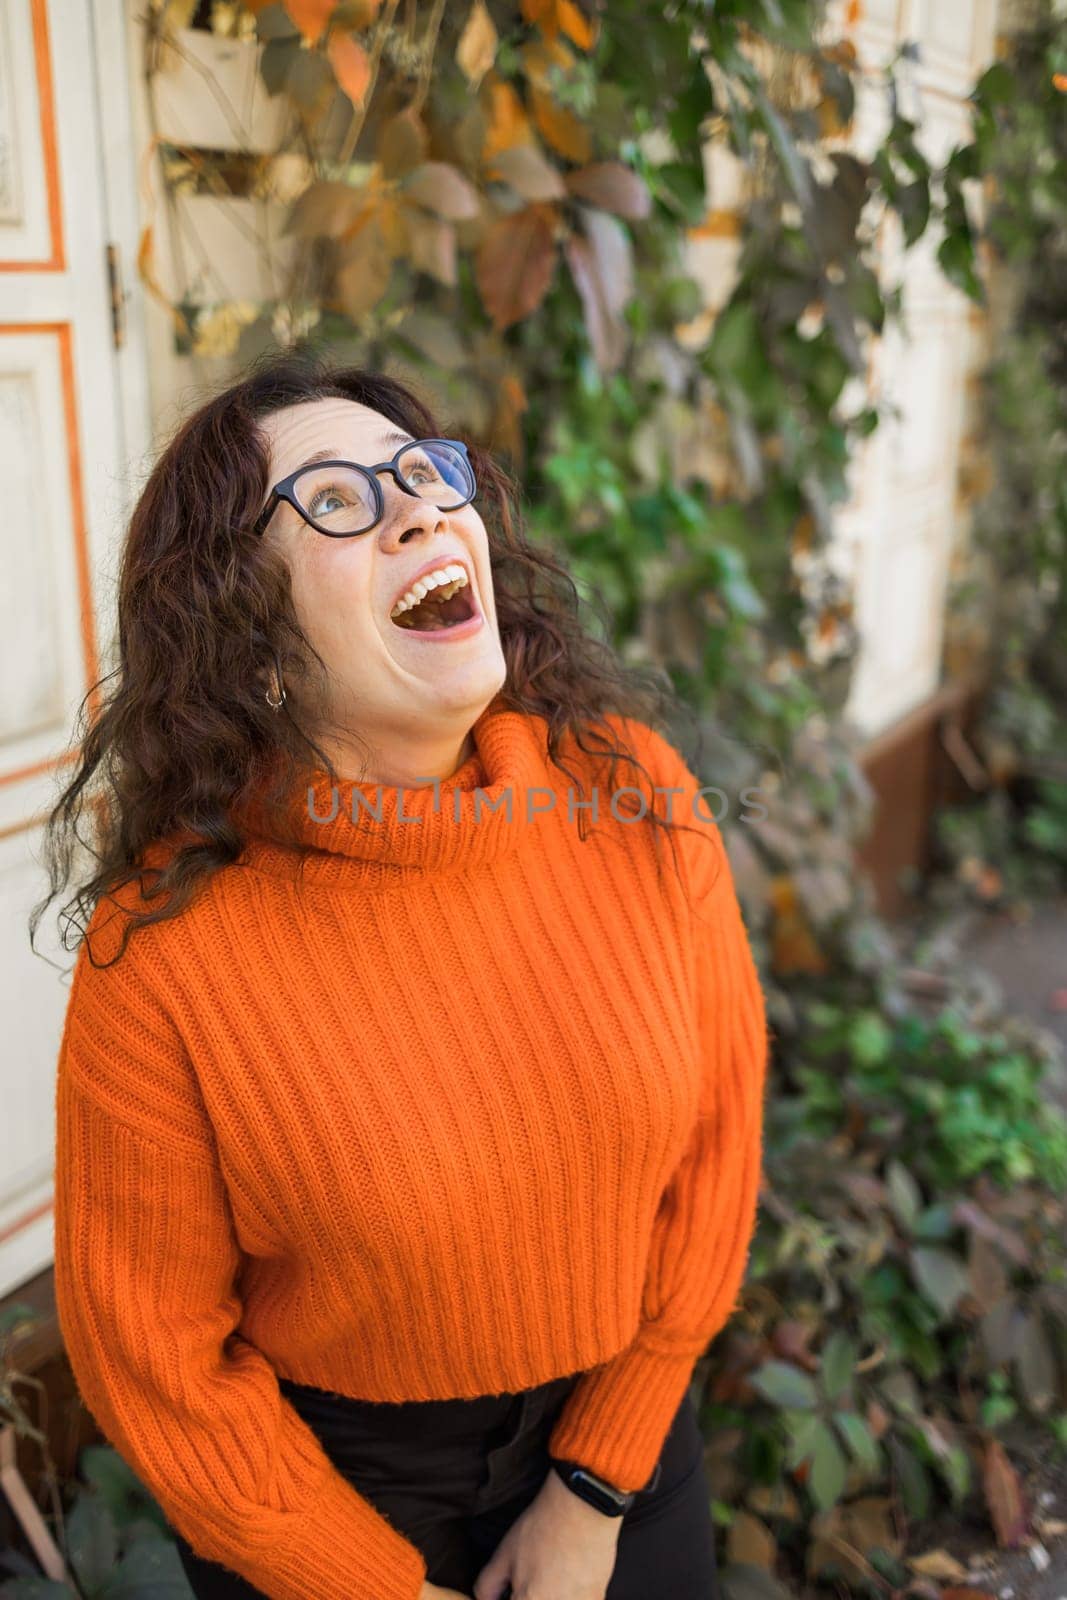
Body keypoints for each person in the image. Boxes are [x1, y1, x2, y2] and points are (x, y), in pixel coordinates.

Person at [37, 347, 770, 1600]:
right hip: (323, 1499)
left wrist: (592, 1488)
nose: (424, 509)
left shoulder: (634, 792)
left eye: (423, 474)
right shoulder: (163, 962)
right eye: (336, 500)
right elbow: (153, 1358)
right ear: (247, 642)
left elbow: (715, 1148)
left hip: (624, 1454)